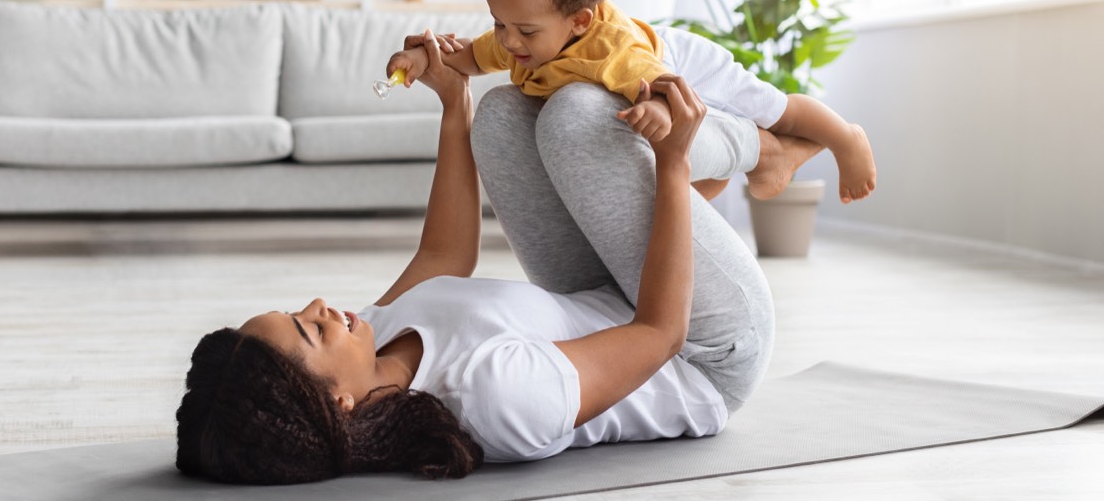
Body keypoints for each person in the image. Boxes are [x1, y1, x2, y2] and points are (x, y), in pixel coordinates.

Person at [176, 30, 791, 484]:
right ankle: (767, 149)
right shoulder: (495, 399)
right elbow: (660, 332)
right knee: (578, 119)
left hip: (610, 296)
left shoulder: (376, 342)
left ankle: (733, 167)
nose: (317, 305)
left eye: (296, 310)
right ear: (338, 402)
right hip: (703, 351)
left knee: (497, 117)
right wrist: (674, 161)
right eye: (309, 329)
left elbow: (445, 252)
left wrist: (453, 101)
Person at [386, 0, 876, 204]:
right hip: (648, 66)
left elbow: (662, 82)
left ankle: (843, 136)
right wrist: (429, 59)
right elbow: (472, 58)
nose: (509, 42)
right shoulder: (519, 42)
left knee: (772, 107)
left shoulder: (611, 52)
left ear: (579, 21)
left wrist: (657, 107)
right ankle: (751, 168)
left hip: (678, 59)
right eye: (499, 23)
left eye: (525, 30)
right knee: (665, 194)